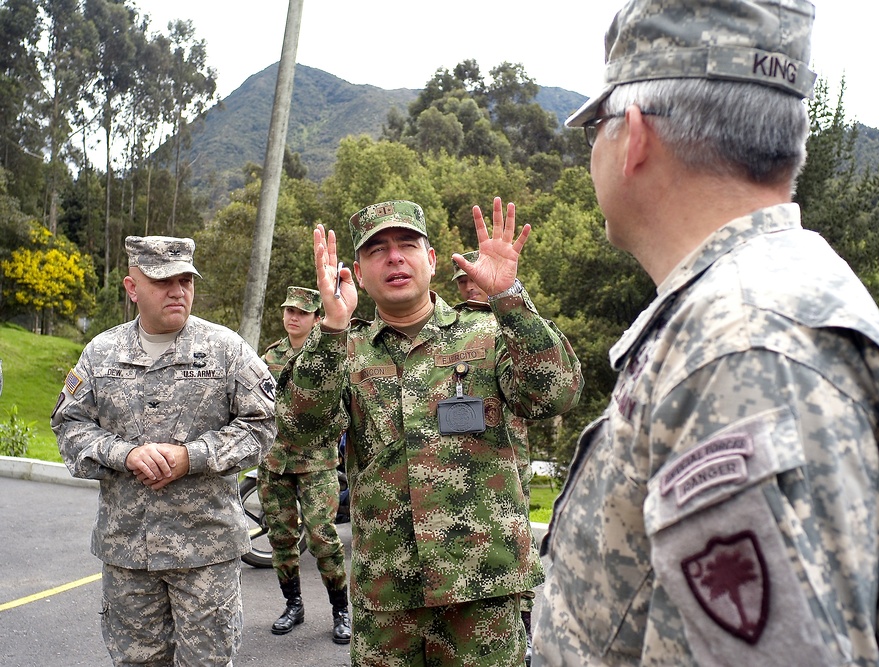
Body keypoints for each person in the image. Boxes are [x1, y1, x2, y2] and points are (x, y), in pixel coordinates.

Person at [533, 1, 879, 665]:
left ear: (634, 135)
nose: (595, 151)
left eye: (597, 129)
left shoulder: (744, 345)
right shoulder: (755, 303)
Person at [276, 198, 583, 666]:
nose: (394, 257)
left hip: (482, 589)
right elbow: (301, 427)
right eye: (377, 250)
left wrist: (511, 299)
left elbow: (555, 394)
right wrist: (331, 330)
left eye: (407, 245)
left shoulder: (487, 333)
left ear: (432, 260)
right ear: (359, 273)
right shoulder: (346, 350)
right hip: (387, 595)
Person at [51, 235, 277, 667]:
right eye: (162, 281)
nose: (178, 291)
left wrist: (192, 456)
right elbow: (68, 426)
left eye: (186, 280)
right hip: (128, 553)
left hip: (206, 552)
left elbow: (262, 425)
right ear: (132, 287)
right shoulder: (101, 353)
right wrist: (123, 453)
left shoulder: (226, 350)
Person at [453, 250, 539, 663]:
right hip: (470, 458)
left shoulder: (509, 321)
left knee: (515, 535)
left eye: (474, 279)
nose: (471, 286)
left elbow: (544, 388)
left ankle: (521, 626)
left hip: (512, 448)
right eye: (462, 282)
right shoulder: (454, 330)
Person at [259, 285, 351, 643]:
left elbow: (345, 404)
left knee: (322, 537)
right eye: (288, 311)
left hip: (316, 462)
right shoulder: (269, 356)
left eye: (301, 312)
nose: (292, 317)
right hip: (275, 461)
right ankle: (293, 605)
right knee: (280, 539)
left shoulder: (328, 355)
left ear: (317, 318)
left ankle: (340, 610)